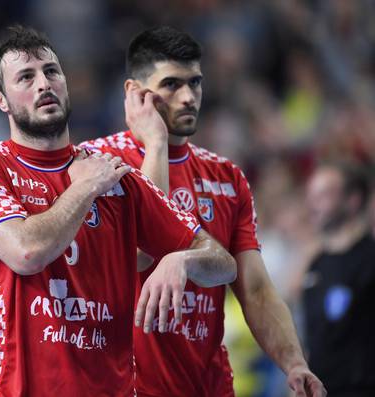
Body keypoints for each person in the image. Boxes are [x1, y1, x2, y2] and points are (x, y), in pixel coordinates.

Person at [0, 25, 237, 396]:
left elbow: (223, 263)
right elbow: (26, 251)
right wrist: (85, 187)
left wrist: (182, 261)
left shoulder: (114, 176)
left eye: (52, 72)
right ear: (2, 100)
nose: (43, 84)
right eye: (26, 77)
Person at [80, 26, 325, 397]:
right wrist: (157, 145)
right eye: (172, 85)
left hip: (209, 385)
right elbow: (141, 252)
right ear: (134, 94)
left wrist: (293, 362)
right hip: (127, 386)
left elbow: (255, 288)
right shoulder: (97, 163)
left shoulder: (227, 177)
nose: (188, 97)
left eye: (195, 83)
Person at [302, 162, 375, 396]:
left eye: (323, 195)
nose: (312, 205)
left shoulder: (370, 259)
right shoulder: (316, 264)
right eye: (310, 195)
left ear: (352, 200)